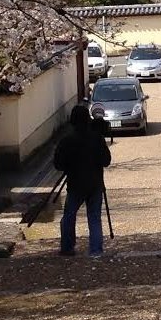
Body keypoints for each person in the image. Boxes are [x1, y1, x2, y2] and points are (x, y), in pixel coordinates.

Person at [53, 104, 112, 257]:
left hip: (75, 183)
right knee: (94, 217)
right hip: (95, 183)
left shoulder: (67, 140)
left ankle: (67, 247)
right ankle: (96, 250)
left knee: (69, 216)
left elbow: (58, 164)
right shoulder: (96, 138)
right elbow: (106, 160)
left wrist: (69, 165)